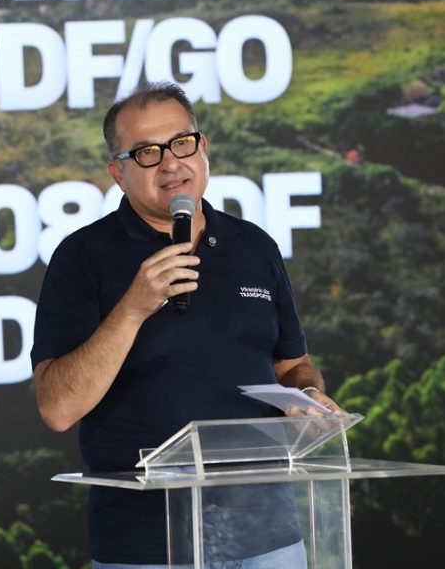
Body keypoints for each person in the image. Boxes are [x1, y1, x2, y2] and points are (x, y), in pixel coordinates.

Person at [31, 82, 342, 567]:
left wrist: (308, 395)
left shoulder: (254, 246)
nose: (171, 163)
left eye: (181, 143)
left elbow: (292, 365)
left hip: (270, 536)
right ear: (118, 172)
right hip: (148, 544)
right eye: (147, 152)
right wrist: (134, 307)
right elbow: (58, 408)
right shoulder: (82, 257)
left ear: (203, 148)